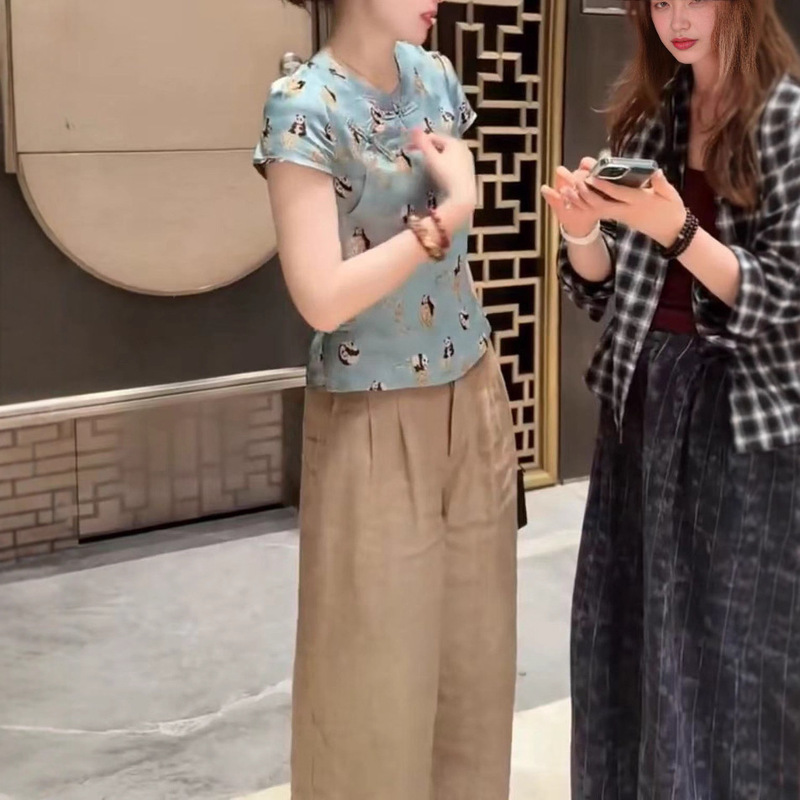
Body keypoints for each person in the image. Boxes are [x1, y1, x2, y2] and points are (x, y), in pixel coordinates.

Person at [253, 1, 519, 798]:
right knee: (369, 681)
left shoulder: (434, 76)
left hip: (473, 394)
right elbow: (321, 298)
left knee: (475, 666)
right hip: (371, 410)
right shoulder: (304, 105)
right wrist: (450, 215)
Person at [542, 0, 800, 797]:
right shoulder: (652, 114)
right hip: (642, 401)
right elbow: (609, 291)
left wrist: (680, 231)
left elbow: (783, 294)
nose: (677, 18)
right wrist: (581, 231)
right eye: (659, 1)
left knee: (729, 652)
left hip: (742, 418)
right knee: (625, 631)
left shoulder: (786, 118)